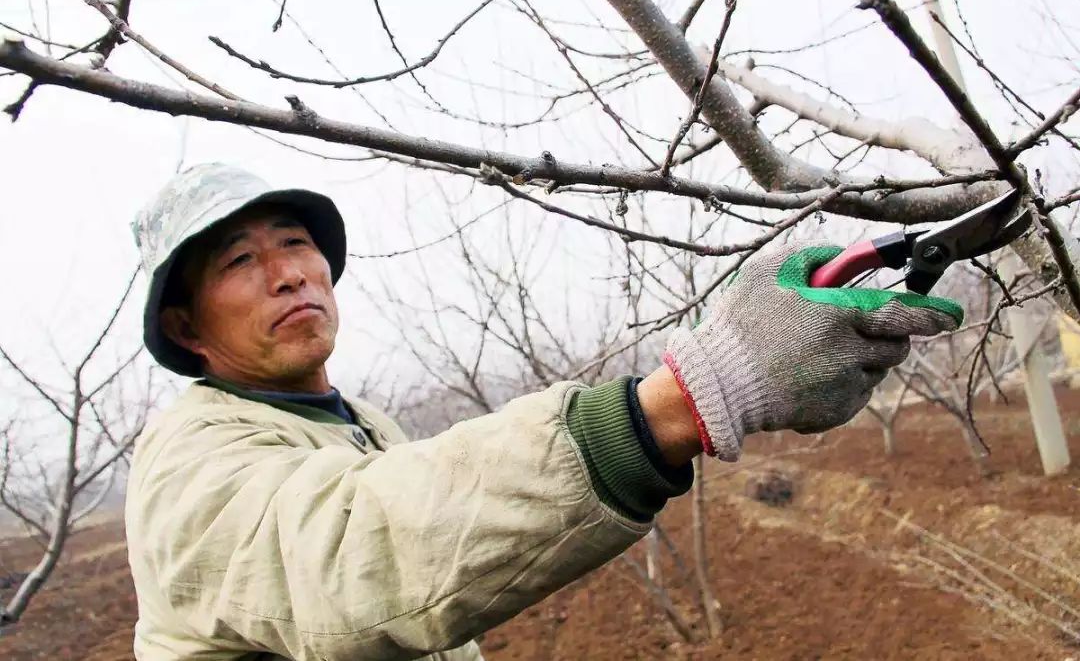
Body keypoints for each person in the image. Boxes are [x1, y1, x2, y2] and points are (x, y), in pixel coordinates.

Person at [125, 163, 962, 660]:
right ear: (184, 324)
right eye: (241, 257)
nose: (289, 272)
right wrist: (692, 396)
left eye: (295, 242)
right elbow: (356, 550)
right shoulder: (189, 459)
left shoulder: (355, 421)